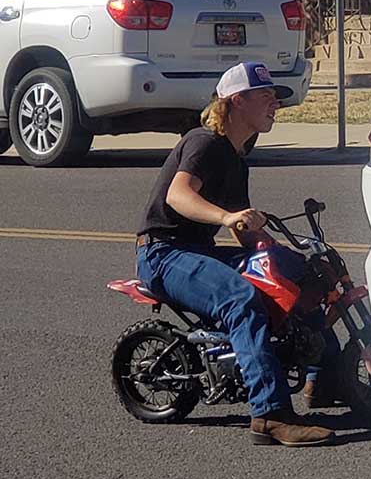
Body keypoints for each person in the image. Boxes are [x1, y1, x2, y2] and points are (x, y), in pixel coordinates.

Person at [135, 61, 335, 447]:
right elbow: (179, 196)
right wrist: (226, 216)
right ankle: (270, 415)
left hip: (197, 251)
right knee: (240, 298)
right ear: (235, 101)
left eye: (275, 98)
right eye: (265, 96)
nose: (274, 104)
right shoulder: (203, 141)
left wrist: (282, 255)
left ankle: (322, 377)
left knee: (298, 273)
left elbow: (246, 234)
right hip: (163, 253)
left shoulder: (235, 158)